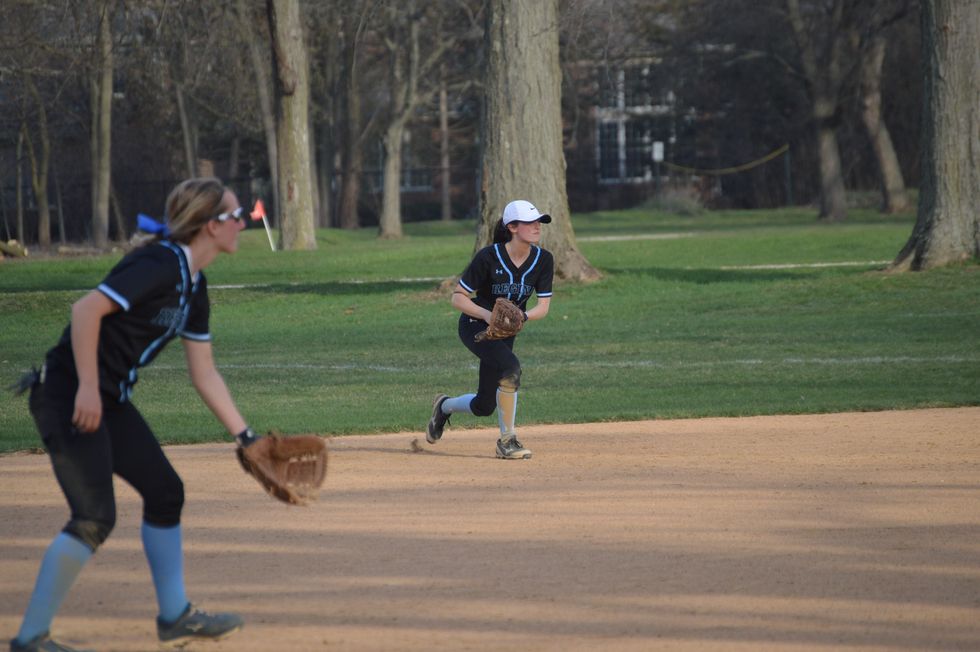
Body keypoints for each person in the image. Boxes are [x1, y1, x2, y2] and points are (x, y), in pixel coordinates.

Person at [9, 178, 261, 652]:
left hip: (108, 400)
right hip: (67, 395)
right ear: (211, 226)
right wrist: (86, 387)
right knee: (93, 517)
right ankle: (30, 639)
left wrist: (246, 437)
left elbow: (203, 373)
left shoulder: (193, 284)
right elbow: (86, 311)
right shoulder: (159, 263)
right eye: (235, 214)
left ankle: (175, 617)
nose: (243, 221)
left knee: (166, 493)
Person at [426, 199, 554, 459]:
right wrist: (488, 315)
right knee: (511, 368)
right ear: (513, 227)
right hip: (475, 326)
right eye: (530, 222)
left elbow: (543, 306)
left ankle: (444, 406)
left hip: (506, 332)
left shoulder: (543, 260)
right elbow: (458, 297)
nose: (537, 226)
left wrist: (521, 317)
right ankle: (507, 441)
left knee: (484, 405)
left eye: (539, 221)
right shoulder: (489, 256)